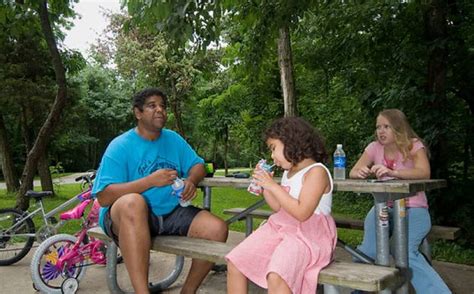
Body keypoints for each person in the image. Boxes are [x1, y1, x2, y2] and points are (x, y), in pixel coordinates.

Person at [92, 88, 228, 294]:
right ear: (138, 113)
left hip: (170, 212)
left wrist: (191, 180)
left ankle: (188, 291)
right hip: (126, 217)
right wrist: (149, 181)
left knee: (216, 229)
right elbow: (104, 197)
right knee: (133, 202)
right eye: (152, 105)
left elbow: (198, 165)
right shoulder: (120, 146)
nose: (160, 110)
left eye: (163, 106)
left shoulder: (173, 139)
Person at [226, 117, 337, 294]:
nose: (272, 155)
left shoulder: (317, 172)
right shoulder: (289, 172)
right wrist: (266, 187)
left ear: (291, 142)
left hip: (308, 236)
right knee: (236, 262)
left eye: (273, 148)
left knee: (277, 276)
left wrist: (273, 186)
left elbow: (302, 213)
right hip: (282, 228)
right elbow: (279, 208)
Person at [349, 109, 451, 293]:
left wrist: (393, 173)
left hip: (414, 209)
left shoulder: (413, 145)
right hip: (383, 208)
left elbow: (424, 172)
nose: (381, 131)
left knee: (404, 252)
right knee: (368, 252)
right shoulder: (373, 148)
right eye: (378, 127)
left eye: (386, 126)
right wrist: (361, 172)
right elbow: (353, 172)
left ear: (398, 127)